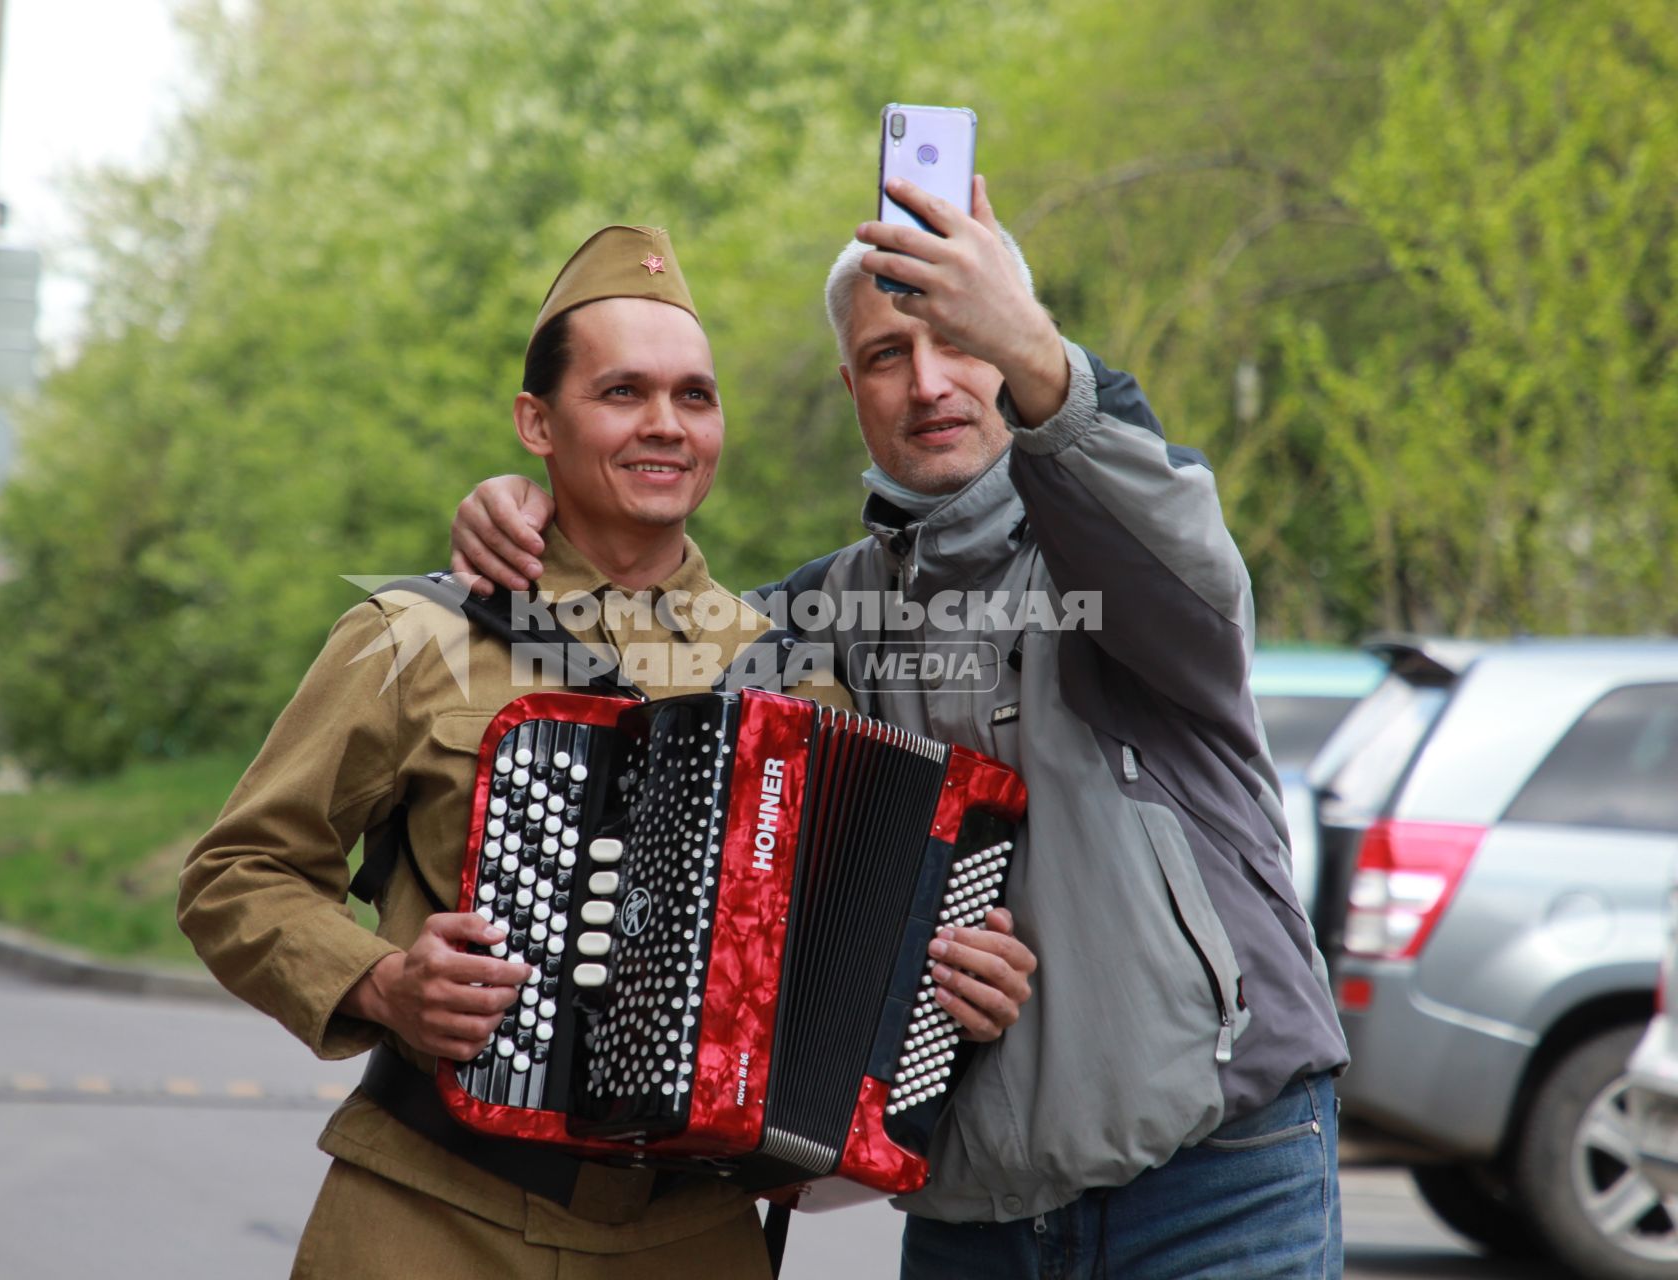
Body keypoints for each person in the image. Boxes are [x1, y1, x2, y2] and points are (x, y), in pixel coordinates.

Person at [450, 176, 1351, 1278]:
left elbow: (1179, 559)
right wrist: (531, 506)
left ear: (1013, 347)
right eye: (886, 355)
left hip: (1216, 1180)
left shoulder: (1117, 556)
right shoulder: (817, 617)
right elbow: (640, 641)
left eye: (958, 341)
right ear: (851, 386)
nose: (928, 383)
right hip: (967, 1213)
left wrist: (1036, 352)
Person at [177, 223, 1038, 1280]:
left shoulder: (792, 666)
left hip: (694, 1236)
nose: (665, 425)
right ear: (537, 420)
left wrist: (950, 986)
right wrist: (382, 980)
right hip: (431, 1211)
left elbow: (851, 954)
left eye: (695, 396)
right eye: (623, 392)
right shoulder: (419, 634)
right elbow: (235, 873)